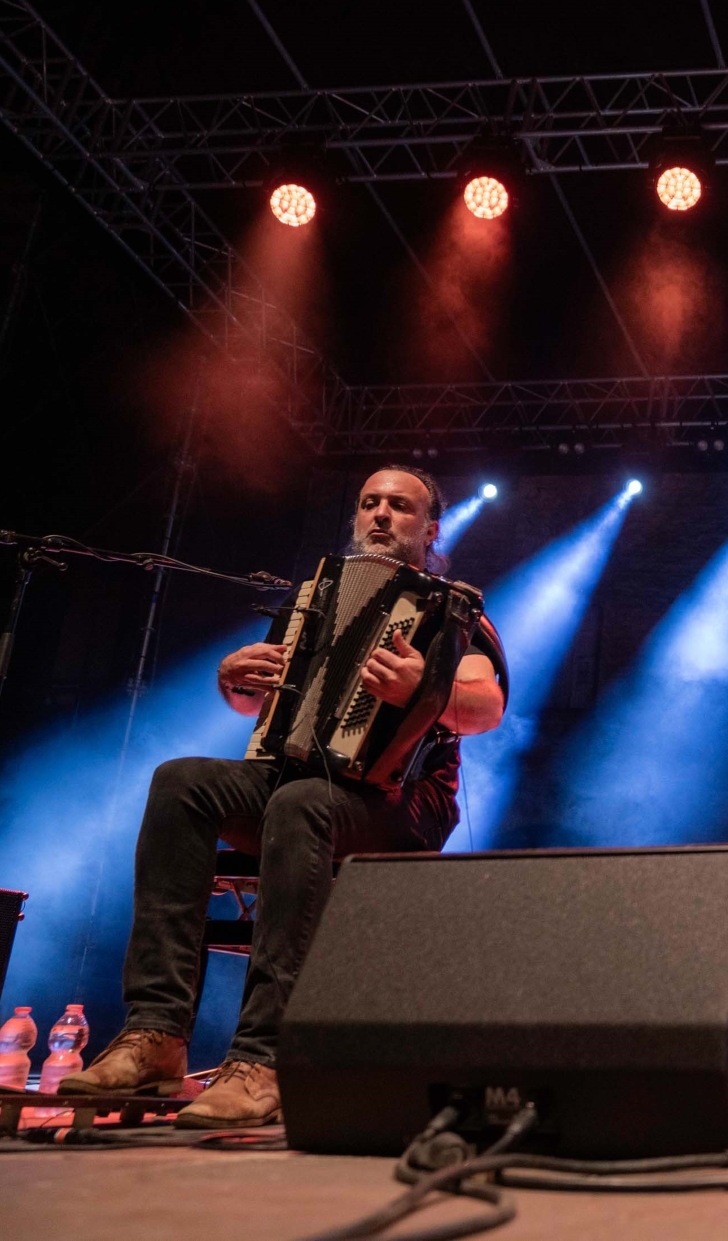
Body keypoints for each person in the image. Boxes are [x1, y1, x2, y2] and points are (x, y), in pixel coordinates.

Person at [61, 466, 507, 1128]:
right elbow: (260, 702)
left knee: (301, 803)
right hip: (302, 785)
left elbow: (484, 707)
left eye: (400, 506)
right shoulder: (315, 598)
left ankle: (264, 1056)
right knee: (182, 782)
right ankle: (156, 1034)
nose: (380, 515)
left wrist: (425, 687)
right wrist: (233, 680)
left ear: (431, 528)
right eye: (369, 503)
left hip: (399, 804)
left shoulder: (454, 614)